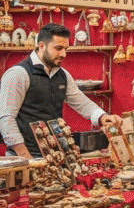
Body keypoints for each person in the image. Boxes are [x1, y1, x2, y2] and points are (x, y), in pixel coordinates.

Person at [1, 23, 123, 158]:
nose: (64, 54)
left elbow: (82, 103)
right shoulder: (18, 74)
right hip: (26, 156)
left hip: (56, 156)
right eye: (58, 48)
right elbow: (6, 119)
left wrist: (103, 117)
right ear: (41, 46)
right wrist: (26, 157)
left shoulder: (62, 74)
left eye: (65, 48)